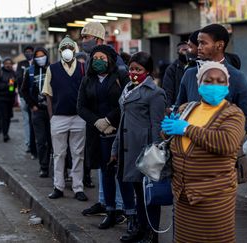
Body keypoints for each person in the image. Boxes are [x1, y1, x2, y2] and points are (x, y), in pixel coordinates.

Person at [162, 61, 245, 242]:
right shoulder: (187, 108)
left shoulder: (233, 113)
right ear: (199, 84)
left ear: (227, 85)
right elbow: (173, 141)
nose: (214, 85)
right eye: (208, 81)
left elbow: (227, 143)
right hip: (184, 196)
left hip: (214, 198)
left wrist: (186, 129)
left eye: (220, 81)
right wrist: (166, 130)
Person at [111, 51, 166, 242]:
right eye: (131, 68)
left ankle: (152, 234)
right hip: (128, 148)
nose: (133, 72)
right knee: (138, 194)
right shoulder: (128, 88)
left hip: (144, 152)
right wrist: (115, 148)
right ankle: (140, 228)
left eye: (138, 69)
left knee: (149, 195)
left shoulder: (155, 93)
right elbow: (122, 122)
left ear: (148, 71)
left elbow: (157, 125)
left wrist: (154, 155)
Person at [77, 45, 129, 229]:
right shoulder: (87, 80)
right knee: (105, 172)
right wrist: (97, 122)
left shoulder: (121, 77)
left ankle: (127, 210)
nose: (99, 61)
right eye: (95, 58)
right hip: (97, 132)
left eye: (103, 58)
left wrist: (108, 119)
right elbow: (81, 107)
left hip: (118, 130)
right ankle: (110, 210)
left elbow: (126, 101)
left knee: (121, 172)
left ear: (110, 60)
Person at [175, 23, 247, 134]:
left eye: (203, 43)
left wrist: (225, 137)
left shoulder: (236, 77)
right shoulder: (189, 74)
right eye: (198, 43)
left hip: (221, 149)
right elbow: (178, 110)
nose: (199, 47)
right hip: (190, 147)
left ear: (220, 45)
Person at [42, 35, 88, 201]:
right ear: (60, 51)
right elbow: (48, 94)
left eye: (70, 47)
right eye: (64, 47)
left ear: (74, 50)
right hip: (58, 117)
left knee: (78, 154)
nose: (67, 50)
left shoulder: (82, 68)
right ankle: (58, 186)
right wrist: (51, 117)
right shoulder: (52, 69)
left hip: (78, 118)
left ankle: (78, 188)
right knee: (59, 154)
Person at [21, 47, 52, 178]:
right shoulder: (30, 71)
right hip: (37, 111)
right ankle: (43, 167)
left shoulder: (53, 69)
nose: (40, 58)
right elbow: (23, 91)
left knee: (52, 140)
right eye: (37, 56)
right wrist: (32, 105)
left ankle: (56, 166)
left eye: (42, 55)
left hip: (51, 111)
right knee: (41, 140)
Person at [16, 45, 35, 154]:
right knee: (27, 120)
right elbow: (18, 78)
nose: (28, 53)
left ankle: (35, 143)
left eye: (30, 51)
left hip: (36, 98)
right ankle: (28, 143)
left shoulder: (37, 63)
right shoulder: (21, 64)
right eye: (26, 51)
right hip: (24, 96)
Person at [0, 57, 17, 142]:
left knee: (8, 117)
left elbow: (13, 87)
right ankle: (5, 134)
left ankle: (6, 132)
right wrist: (7, 84)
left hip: (10, 99)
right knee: (4, 117)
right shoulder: (0, 72)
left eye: (10, 63)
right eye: (6, 63)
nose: (8, 65)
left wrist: (14, 83)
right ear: (4, 64)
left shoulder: (13, 73)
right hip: (1, 98)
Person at [162, 41, 189, 108]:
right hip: (177, 106)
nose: (187, 52)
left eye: (188, 49)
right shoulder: (172, 69)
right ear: (178, 51)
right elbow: (168, 90)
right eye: (184, 50)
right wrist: (168, 106)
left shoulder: (194, 66)